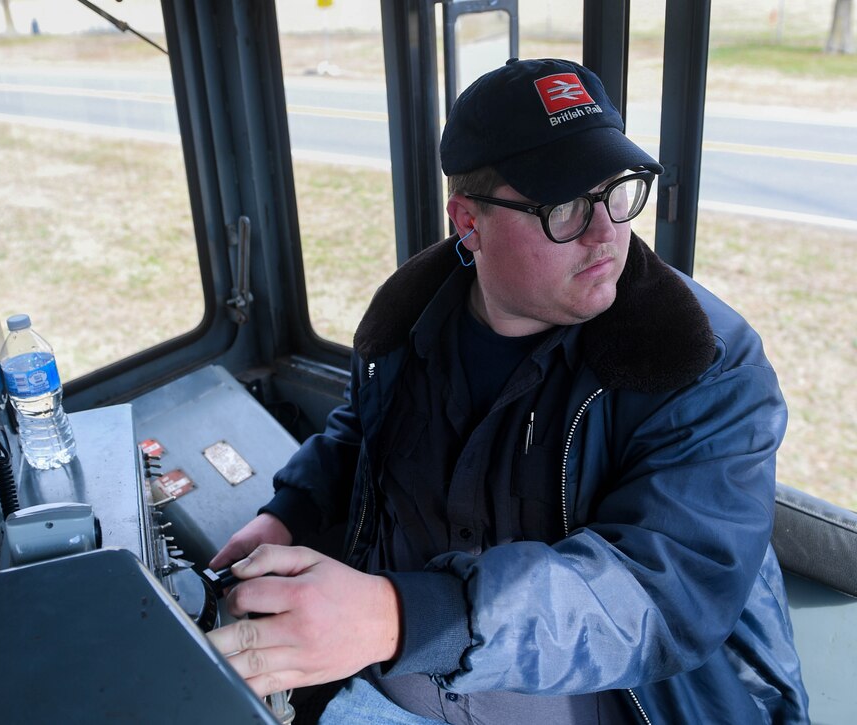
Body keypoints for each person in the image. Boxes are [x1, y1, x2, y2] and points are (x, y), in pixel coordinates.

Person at [206, 58, 809, 724]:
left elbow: (656, 593)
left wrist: (398, 617)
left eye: (618, 190)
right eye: (566, 206)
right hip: (390, 691)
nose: (607, 229)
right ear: (469, 222)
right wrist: (291, 512)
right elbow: (366, 437)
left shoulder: (700, 365)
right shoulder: (408, 325)